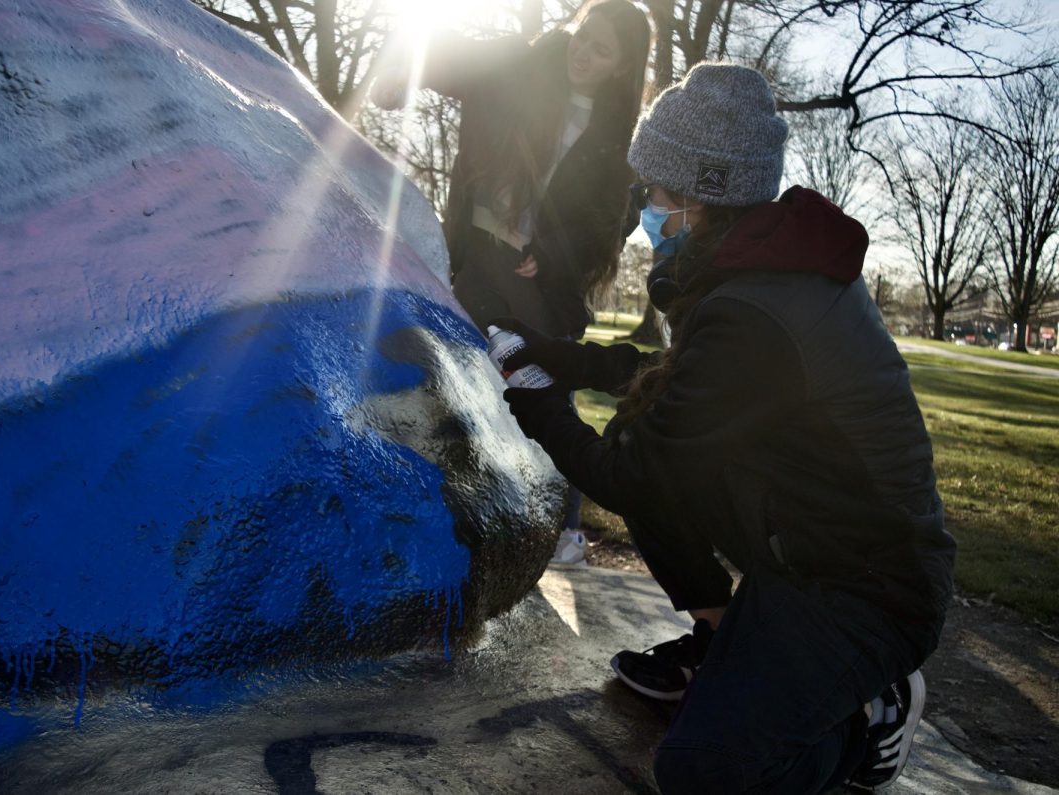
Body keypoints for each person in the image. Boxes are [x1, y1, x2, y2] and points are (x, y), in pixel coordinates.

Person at [496, 63, 956, 792]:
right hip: (807, 544)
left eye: (655, 193)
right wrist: (552, 351)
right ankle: (721, 643)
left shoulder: (759, 309)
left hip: (868, 588)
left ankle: (867, 720)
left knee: (703, 770)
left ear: (701, 196)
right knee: (653, 427)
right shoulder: (754, 271)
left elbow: (632, 474)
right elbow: (675, 382)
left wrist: (536, 397)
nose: (646, 210)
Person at [372, 0, 652, 561]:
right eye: (584, 35)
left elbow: (610, 220)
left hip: (543, 282)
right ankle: (441, 510)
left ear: (620, 66)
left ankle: (567, 526)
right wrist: (403, 73)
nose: (584, 52)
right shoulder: (522, 69)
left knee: (544, 387)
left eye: (602, 50)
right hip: (479, 255)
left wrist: (552, 257)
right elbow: (458, 64)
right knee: (453, 376)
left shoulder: (622, 138)